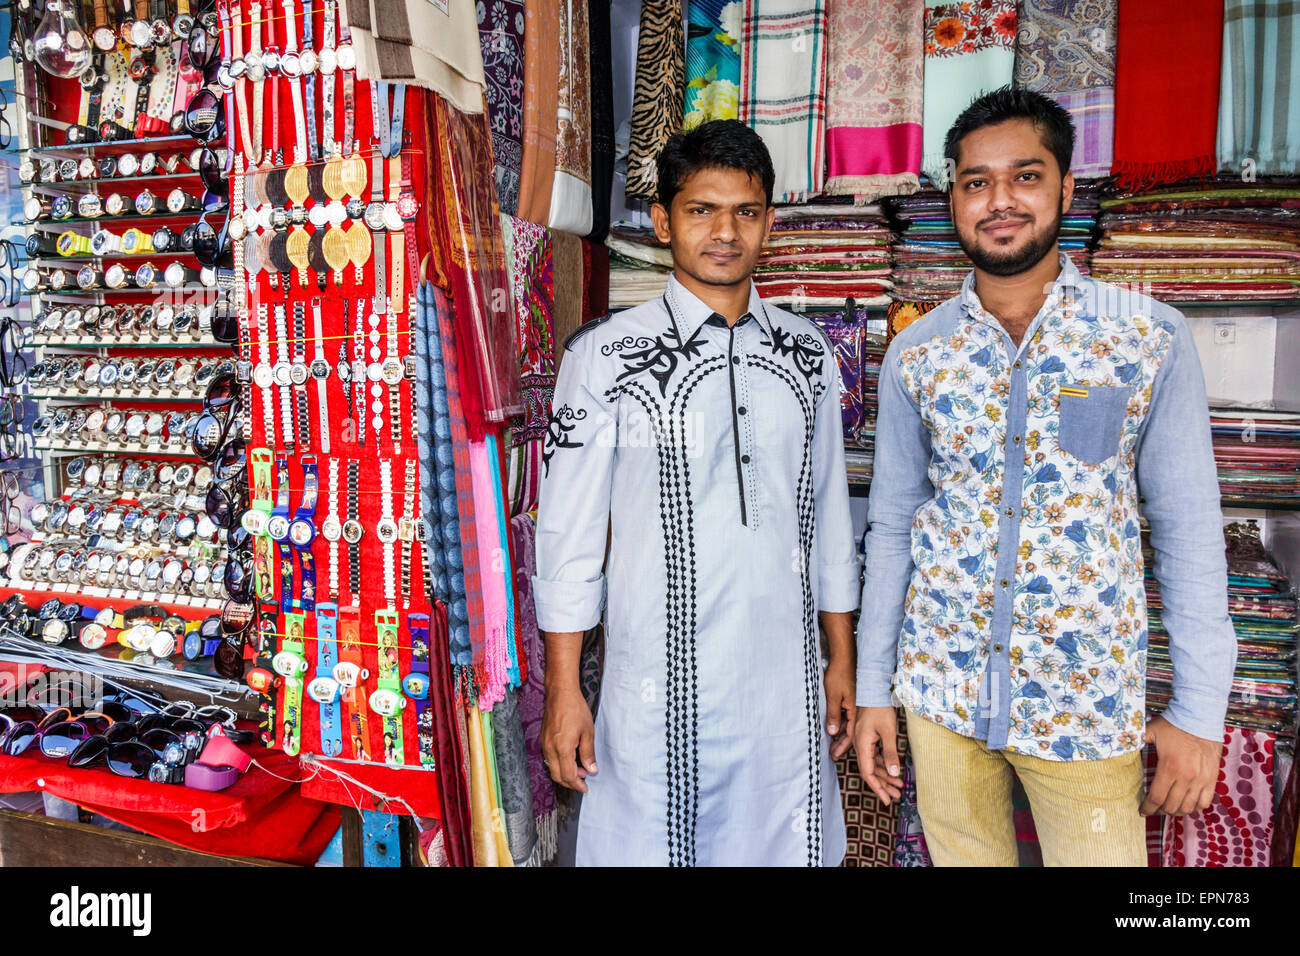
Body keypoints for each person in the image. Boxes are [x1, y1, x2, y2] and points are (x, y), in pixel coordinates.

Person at [854, 87, 1236, 867]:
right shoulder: (916, 354)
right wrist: (873, 688)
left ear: (1065, 188)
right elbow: (892, 525)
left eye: (1025, 176)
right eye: (976, 182)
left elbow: (1191, 528)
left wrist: (1201, 711)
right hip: (940, 692)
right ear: (953, 197)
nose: (999, 201)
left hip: (1083, 704)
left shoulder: (1145, 337)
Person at [533, 119, 860, 866]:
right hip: (657, 689)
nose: (724, 232)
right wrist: (564, 691)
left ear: (769, 223)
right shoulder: (606, 357)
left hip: (783, 686)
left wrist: (840, 660)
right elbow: (568, 538)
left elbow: (828, 522)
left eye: (745, 212)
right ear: (662, 221)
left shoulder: (807, 355)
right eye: (700, 210)